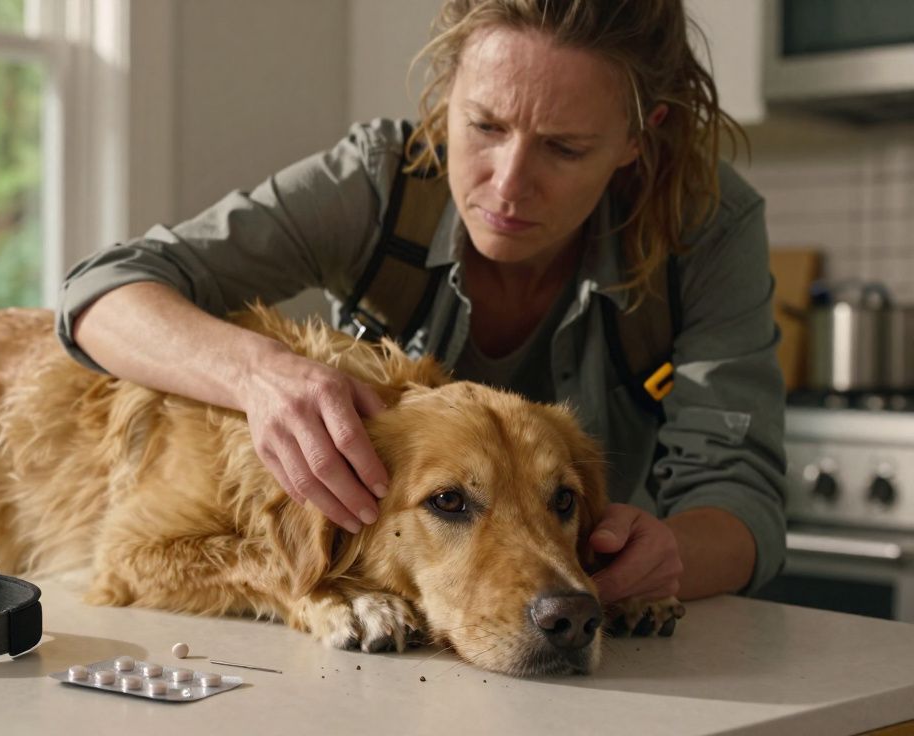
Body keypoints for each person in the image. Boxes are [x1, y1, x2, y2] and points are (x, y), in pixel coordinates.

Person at [56, 0, 786, 606]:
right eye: (486, 126)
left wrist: (673, 554)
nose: (506, 185)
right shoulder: (384, 181)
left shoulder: (705, 228)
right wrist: (257, 374)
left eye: (564, 148)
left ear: (638, 138)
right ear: (446, 95)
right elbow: (101, 294)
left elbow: (740, 493)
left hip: (565, 622)